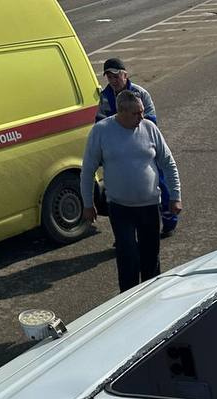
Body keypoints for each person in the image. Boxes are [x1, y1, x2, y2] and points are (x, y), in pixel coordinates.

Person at [81, 89, 183, 293]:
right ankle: (128, 299)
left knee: (150, 256)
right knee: (127, 257)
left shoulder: (149, 128)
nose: (142, 117)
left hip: (149, 206)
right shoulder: (102, 131)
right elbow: (88, 169)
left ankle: (151, 297)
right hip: (120, 208)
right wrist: (87, 203)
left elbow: (168, 163)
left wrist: (175, 195)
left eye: (142, 112)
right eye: (136, 113)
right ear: (121, 112)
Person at [96, 57, 179, 239]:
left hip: (143, 144)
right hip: (119, 148)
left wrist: (129, 122)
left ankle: (169, 220)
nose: (113, 80)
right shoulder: (105, 96)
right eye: (109, 77)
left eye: (116, 76)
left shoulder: (139, 94)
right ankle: (125, 235)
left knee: (159, 181)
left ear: (125, 75)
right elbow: (100, 121)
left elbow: (151, 121)